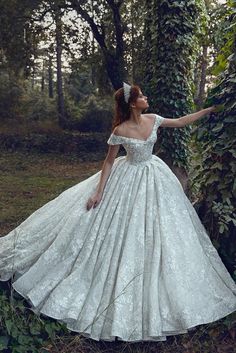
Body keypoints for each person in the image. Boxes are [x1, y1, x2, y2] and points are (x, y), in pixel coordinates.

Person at [0, 83, 235, 343]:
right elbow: (109, 161)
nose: (146, 97)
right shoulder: (120, 130)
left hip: (154, 176)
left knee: (163, 229)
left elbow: (180, 121)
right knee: (119, 230)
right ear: (133, 104)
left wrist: (209, 110)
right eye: (142, 96)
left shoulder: (154, 119)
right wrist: (99, 192)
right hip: (127, 178)